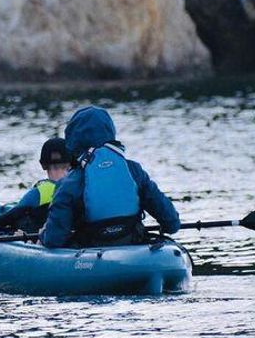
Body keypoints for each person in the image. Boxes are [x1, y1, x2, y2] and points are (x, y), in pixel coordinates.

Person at [40, 106, 179, 248]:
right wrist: (168, 227)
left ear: (73, 141)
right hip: (133, 244)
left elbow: (54, 239)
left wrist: (42, 235)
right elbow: (172, 222)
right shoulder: (134, 171)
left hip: (91, 250)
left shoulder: (69, 183)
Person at [0, 137, 70, 237]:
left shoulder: (39, 193)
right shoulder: (78, 186)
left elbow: (10, 216)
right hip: (70, 238)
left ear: (45, 166)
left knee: (20, 219)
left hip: (40, 237)